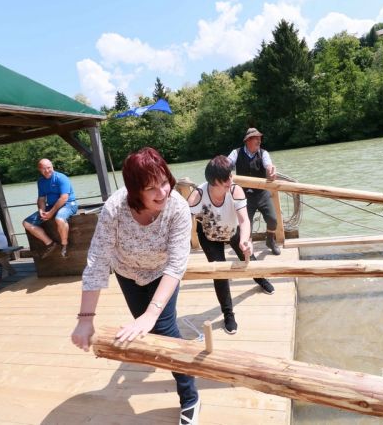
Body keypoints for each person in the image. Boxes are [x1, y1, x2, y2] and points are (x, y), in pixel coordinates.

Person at [71, 147, 200, 425]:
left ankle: (190, 397)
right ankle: (166, 332)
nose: (162, 192)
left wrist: (151, 313)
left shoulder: (178, 207)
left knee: (164, 330)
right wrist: (85, 320)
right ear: (134, 190)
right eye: (151, 188)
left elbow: (176, 265)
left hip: (162, 272)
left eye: (164, 182)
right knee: (149, 329)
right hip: (127, 272)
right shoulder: (114, 209)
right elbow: (97, 262)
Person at [187, 156, 275, 335]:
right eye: (225, 178)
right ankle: (228, 313)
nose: (230, 180)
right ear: (213, 181)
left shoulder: (235, 190)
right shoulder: (198, 195)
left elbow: (244, 220)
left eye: (230, 175)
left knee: (247, 255)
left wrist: (245, 240)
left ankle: (260, 279)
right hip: (209, 236)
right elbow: (185, 223)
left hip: (232, 230)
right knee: (220, 274)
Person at [227, 127, 281, 255]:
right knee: (247, 227)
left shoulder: (263, 153)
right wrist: (224, 170)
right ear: (248, 141)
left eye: (260, 139)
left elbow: (269, 165)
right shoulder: (236, 153)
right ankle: (248, 252)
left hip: (262, 193)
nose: (259, 141)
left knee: (273, 220)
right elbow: (227, 164)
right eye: (256, 139)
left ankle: (270, 240)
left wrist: (271, 170)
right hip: (244, 196)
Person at [22, 159, 77, 259]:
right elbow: (41, 198)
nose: (47, 171)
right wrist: (41, 210)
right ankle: (50, 243)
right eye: (44, 169)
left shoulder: (61, 178)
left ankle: (65, 245)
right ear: (39, 169)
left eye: (49, 168)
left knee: (59, 219)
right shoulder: (41, 181)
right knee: (26, 223)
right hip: (51, 206)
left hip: (68, 204)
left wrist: (51, 213)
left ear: (52, 167)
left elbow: (64, 198)